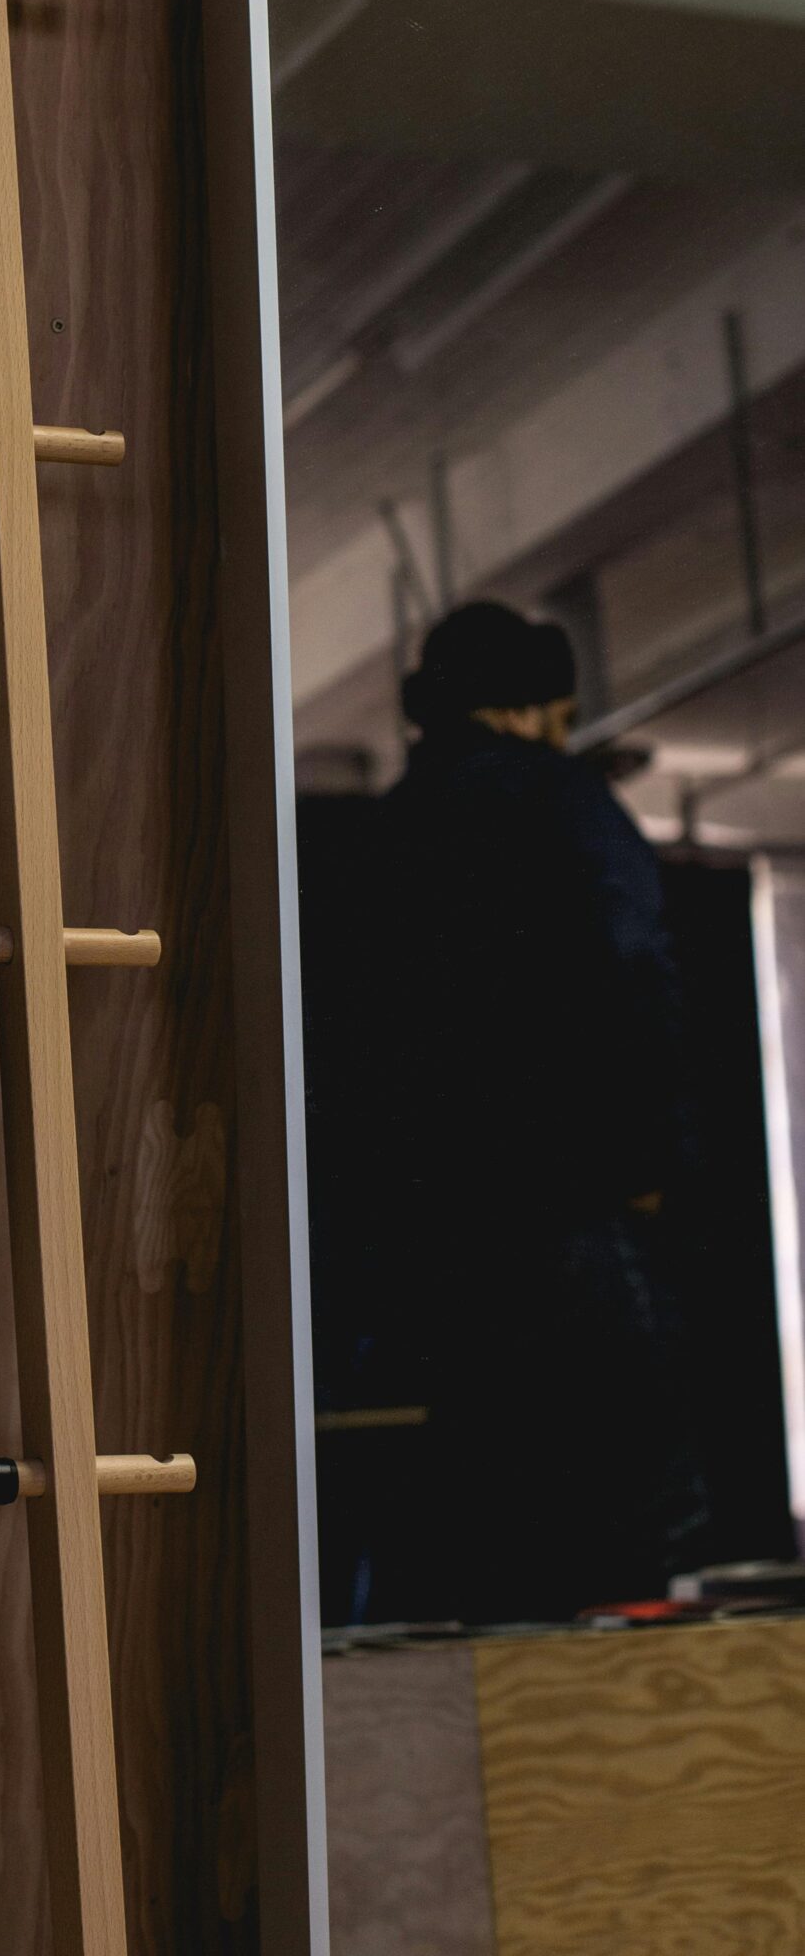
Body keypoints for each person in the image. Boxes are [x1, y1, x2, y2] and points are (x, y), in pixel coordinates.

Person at [375, 599, 707, 1623]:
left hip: (438, 1204)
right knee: (627, 1455)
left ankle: (513, 1667)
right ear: (534, 707)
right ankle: (640, 1687)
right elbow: (628, 967)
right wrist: (652, 1152)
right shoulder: (560, 801)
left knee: (490, 1451)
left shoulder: (394, 821)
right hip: (568, 1184)